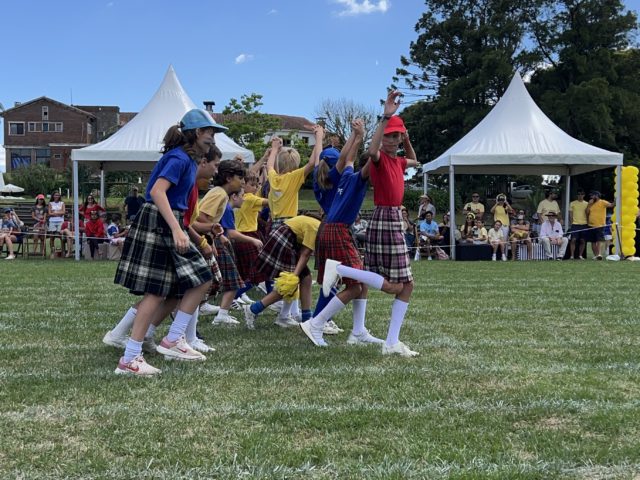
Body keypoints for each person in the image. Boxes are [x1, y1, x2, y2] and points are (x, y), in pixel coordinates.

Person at [113, 108, 224, 375]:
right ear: (196, 133)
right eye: (210, 132)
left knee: (174, 287)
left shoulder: (185, 158)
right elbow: (157, 191)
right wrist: (177, 229)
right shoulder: (179, 158)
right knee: (176, 285)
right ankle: (145, 351)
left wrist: (179, 227)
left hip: (164, 220)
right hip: (161, 221)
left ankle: (152, 347)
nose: (213, 138)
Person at [301, 118, 405, 347]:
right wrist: (364, 138)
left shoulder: (339, 176)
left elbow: (347, 159)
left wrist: (357, 136)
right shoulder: (357, 179)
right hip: (338, 230)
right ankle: (316, 323)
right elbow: (361, 158)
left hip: (329, 229)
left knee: (361, 281)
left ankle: (358, 331)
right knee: (356, 285)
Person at [360, 91, 419, 357]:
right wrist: (385, 117)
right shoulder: (380, 158)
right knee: (402, 284)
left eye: (397, 136)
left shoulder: (399, 161)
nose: (393, 140)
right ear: (382, 136)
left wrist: (407, 139)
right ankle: (342, 270)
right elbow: (372, 150)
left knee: (404, 285)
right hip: (385, 217)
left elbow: (415, 160)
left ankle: (392, 342)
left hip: (393, 217)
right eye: (390, 136)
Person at [242, 214, 321, 329]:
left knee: (306, 278)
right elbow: (305, 254)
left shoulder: (318, 226)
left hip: (287, 239)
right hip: (283, 239)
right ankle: (252, 310)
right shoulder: (316, 229)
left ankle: (304, 318)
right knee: (288, 284)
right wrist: (294, 276)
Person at [196, 160, 247, 325]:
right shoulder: (219, 194)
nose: (242, 182)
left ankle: (202, 306)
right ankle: (220, 314)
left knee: (212, 278)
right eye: (240, 178)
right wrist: (215, 232)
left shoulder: (221, 194)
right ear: (228, 178)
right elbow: (200, 216)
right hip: (204, 237)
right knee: (231, 277)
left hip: (209, 237)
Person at [586, 190, 614, 260]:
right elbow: (587, 212)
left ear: (597, 196)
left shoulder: (602, 202)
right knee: (593, 241)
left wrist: (616, 199)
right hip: (591, 225)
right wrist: (589, 205)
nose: (591, 197)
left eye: (592, 196)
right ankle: (596, 255)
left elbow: (611, 205)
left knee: (599, 240)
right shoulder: (590, 203)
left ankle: (599, 254)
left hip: (600, 225)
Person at [568, 190, 589, 259]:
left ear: (584, 195)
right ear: (577, 195)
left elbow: (588, 213)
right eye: (579, 194)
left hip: (584, 224)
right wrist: (571, 223)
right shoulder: (572, 203)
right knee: (573, 240)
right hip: (575, 224)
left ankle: (580, 255)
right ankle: (572, 255)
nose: (580, 195)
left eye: (582, 194)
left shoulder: (587, 203)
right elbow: (570, 214)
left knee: (583, 240)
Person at [47, 191, 66, 257]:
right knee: (52, 236)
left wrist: (54, 212)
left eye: (58, 195)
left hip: (60, 221)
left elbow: (63, 212)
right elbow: (49, 213)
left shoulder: (62, 203)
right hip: (52, 221)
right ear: (53, 196)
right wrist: (59, 212)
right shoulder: (50, 203)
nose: (57, 196)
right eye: (55, 195)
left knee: (61, 236)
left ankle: (63, 251)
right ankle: (52, 251)